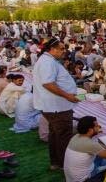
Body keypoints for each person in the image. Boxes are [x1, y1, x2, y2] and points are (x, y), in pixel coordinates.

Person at [33, 38, 79, 170]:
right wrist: (67, 95)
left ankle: (57, 163)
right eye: (61, 49)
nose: (64, 51)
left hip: (54, 106)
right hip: (57, 107)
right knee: (64, 136)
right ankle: (66, 165)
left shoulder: (48, 61)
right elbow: (48, 83)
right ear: (52, 49)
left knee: (55, 135)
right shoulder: (47, 62)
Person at [64, 116, 106, 182]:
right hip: (84, 179)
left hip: (71, 178)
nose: (99, 127)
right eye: (97, 126)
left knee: (103, 155)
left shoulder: (77, 136)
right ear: (90, 130)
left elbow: (99, 145)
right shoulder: (90, 144)